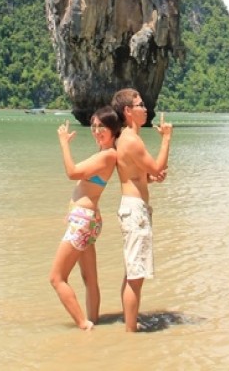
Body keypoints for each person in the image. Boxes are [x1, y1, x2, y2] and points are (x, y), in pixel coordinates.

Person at [48, 106, 123, 330]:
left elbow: (72, 173)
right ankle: (94, 322)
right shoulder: (106, 155)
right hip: (86, 220)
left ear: (114, 131)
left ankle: (83, 324)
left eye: (103, 127)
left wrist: (63, 143)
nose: (97, 130)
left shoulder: (108, 155)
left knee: (56, 278)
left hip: (83, 220)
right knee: (89, 279)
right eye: (95, 125)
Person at [111, 88, 172, 332]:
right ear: (128, 111)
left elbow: (138, 176)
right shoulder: (132, 140)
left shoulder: (125, 137)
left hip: (133, 207)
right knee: (135, 278)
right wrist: (166, 139)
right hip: (135, 212)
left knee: (132, 272)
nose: (145, 109)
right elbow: (157, 167)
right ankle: (130, 333)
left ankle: (131, 323)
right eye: (140, 105)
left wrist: (150, 179)